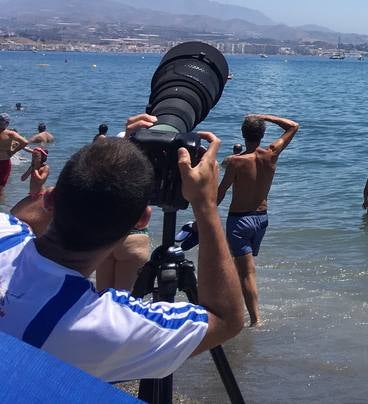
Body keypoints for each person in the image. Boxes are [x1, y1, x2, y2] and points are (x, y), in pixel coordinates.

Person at [0, 113, 242, 382]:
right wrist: (205, 204)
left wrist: (116, 154)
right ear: (142, 219)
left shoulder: (5, 233)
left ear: (53, 197)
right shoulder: (95, 328)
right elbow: (225, 319)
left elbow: (24, 218)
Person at [216, 112, 300, 326]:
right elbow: (293, 126)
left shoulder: (235, 162)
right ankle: (235, 304)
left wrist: (203, 214)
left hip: (239, 221)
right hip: (261, 219)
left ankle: (255, 320)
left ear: (243, 134)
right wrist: (265, 117)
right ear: (262, 135)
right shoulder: (271, 154)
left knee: (246, 272)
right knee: (244, 268)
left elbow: (221, 192)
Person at [0, 113, 29, 190]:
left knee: (1, 187)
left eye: (2, 121)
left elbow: (25, 142)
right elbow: (25, 142)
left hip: (5, 162)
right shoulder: (10, 134)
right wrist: (12, 152)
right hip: (5, 160)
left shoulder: (10, 134)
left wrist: (12, 152)